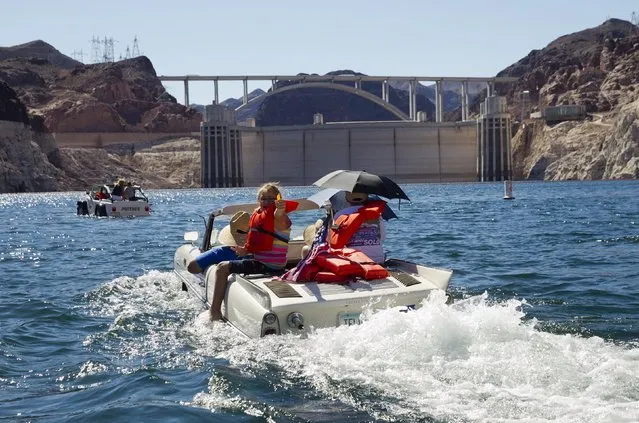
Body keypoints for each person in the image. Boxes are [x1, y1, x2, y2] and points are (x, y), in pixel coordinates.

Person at [209, 183, 294, 321]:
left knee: (221, 268)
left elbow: (279, 215)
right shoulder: (259, 216)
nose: (267, 202)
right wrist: (244, 250)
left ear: (278, 200)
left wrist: (280, 208)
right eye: (263, 199)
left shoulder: (279, 216)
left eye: (271, 199)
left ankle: (214, 313)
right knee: (237, 261)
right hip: (264, 263)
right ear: (258, 200)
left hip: (268, 266)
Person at [301, 191, 386, 264]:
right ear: (366, 197)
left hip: (352, 260)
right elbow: (382, 238)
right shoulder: (377, 215)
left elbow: (332, 239)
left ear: (346, 198)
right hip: (378, 259)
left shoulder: (340, 215)